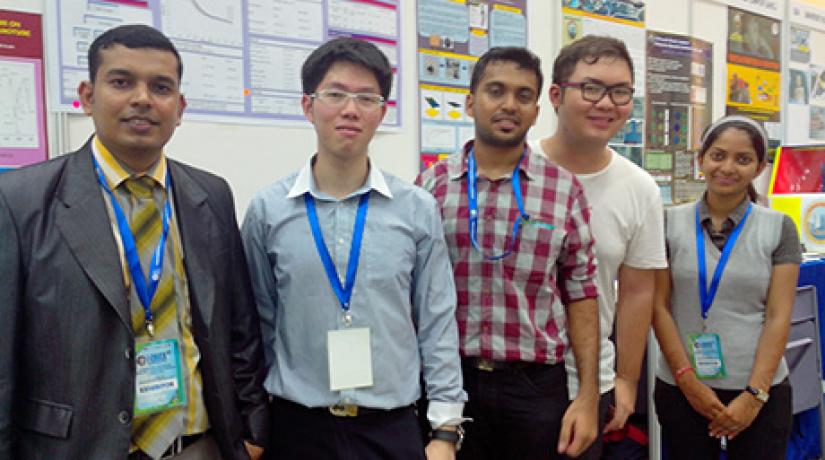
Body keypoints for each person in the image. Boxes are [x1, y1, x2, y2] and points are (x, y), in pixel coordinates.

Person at [0, 25, 269, 460]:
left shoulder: (211, 195)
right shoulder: (21, 201)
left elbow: (240, 327)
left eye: (160, 87)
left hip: (198, 447)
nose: (143, 98)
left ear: (179, 108)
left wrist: (253, 429)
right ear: (88, 96)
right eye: (122, 82)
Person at [241, 37, 466, 460]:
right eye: (335, 94)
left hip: (392, 426)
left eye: (366, 97)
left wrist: (445, 430)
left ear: (382, 111)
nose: (350, 109)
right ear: (308, 106)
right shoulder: (267, 211)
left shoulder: (416, 210)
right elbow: (259, 324)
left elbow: (436, 321)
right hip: (298, 427)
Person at [416, 46, 600, 459]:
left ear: (536, 110)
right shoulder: (431, 188)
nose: (508, 105)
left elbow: (582, 294)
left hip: (535, 388)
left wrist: (587, 396)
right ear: (469, 102)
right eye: (495, 91)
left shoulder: (564, 190)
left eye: (522, 95)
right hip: (451, 382)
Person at [531, 35, 666, 459]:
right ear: (556, 95)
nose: (606, 103)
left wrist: (626, 380)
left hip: (588, 383)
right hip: (508, 379)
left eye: (620, 92)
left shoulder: (639, 188)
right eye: (591, 87)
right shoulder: (518, 167)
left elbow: (638, 291)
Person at [652, 115, 801, 460]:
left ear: (760, 166)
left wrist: (754, 395)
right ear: (700, 159)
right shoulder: (668, 222)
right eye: (718, 155)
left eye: (743, 159)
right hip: (681, 387)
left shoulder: (778, 228)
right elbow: (658, 306)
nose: (727, 167)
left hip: (759, 391)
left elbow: (779, 316)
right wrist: (687, 381)